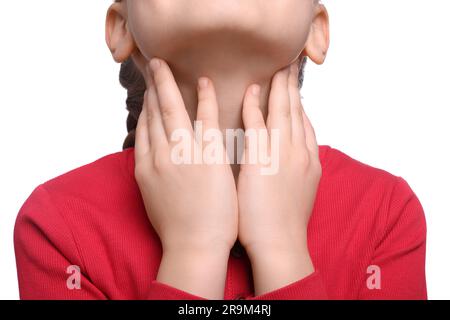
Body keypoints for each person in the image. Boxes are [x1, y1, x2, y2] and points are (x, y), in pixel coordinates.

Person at [14, 0, 427, 300]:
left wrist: (282, 247)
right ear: (121, 27)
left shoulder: (387, 215)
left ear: (316, 31)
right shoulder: (56, 226)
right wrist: (194, 249)